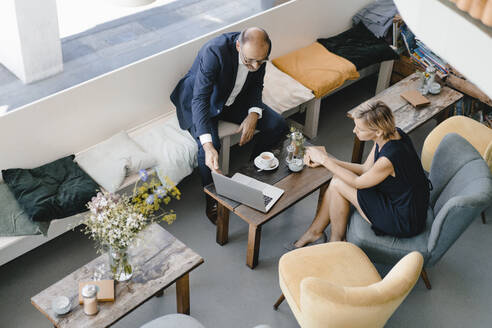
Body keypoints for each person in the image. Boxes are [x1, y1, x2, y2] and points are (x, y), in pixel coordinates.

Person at [171, 27, 288, 225]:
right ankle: (213, 199)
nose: (255, 66)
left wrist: (253, 114)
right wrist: (207, 145)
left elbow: (256, 85)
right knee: (208, 148)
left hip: (233, 99)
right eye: (249, 61)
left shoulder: (259, 52)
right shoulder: (214, 52)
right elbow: (200, 98)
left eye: (260, 61)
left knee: (278, 125)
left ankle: (251, 173)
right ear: (238, 46)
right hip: (201, 102)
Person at [291, 100, 430, 248]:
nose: (354, 131)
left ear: (377, 131)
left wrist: (325, 160)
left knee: (337, 183)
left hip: (403, 218)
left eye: (360, 129)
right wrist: (329, 161)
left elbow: (358, 182)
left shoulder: (389, 158)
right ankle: (317, 233)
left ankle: (335, 242)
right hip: (398, 200)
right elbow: (365, 169)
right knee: (337, 180)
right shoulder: (390, 134)